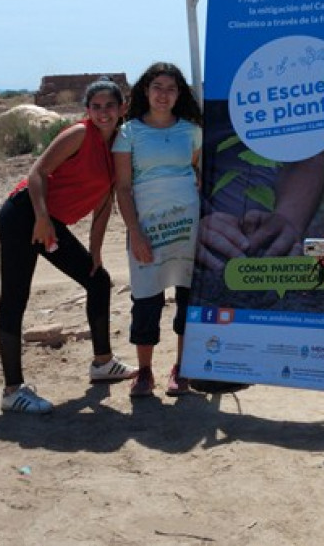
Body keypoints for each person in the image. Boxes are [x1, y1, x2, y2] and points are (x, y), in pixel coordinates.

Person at [0, 78, 138, 415]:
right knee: (15, 297)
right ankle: (13, 390)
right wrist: (42, 218)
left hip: (50, 223)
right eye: (96, 107)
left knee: (97, 279)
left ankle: (102, 363)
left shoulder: (118, 144)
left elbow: (105, 203)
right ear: (87, 110)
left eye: (110, 106)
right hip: (23, 215)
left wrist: (96, 250)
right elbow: (37, 173)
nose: (103, 113)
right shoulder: (79, 134)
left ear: (122, 109)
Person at [113, 62, 203, 398]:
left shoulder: (192, 130)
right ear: (145, 92)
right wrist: (134, 232)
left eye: (171, 88)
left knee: (187, 296)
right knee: (147, 298)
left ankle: (182, 368)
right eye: (157, 87)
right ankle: (145, 371)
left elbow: (195, 168)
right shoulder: (129, 133)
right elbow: (123, 187)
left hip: (187, 225)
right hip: (147, 225)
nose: (163, 95)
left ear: (179, 94)